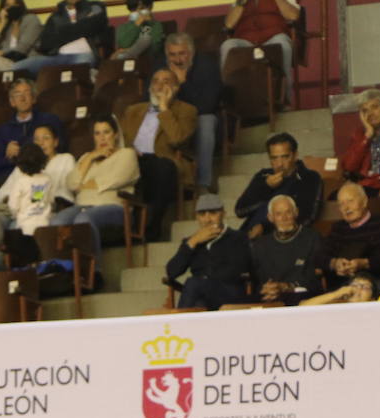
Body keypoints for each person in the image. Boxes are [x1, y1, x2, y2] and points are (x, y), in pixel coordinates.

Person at [120, 68, 197, 239]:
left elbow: (177, 139)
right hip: (133, 160)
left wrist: (164, 108)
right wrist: (129, 152)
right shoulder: (133, 110)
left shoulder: (187, 111)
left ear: (176, 88)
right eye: (156, 81)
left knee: (162, 167)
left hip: (163, 161)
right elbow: (121, 140)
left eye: (166, 81)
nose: (159, 85)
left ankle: (150, 229)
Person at [53, 115, 140, 252]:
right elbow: (71, 184)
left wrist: (85, 185)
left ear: (116, 135)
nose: (102, 138)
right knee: (56, 222)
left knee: (83, 219)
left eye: (106, 132)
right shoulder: (86, 157)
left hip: (114, 207)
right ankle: (61, 268)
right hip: (82, 206)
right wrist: (91, 157)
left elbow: (115, 179)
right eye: (97, 133)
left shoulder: (127, 154)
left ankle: (94, 271)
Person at [159, 32, 223, 195]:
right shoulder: (160, 67)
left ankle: (202, 183)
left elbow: (207, 106)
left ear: (191, 52)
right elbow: (148, 98)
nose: (178, 60)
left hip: (200, 116)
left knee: (206, 122)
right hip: (171, 116)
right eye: (172, 55)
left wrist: (182, 83)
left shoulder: (207, 66)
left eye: (182, 54)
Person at [165, 193, 252, 310]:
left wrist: (203, 281)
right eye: (202, 214)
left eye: (212, 213)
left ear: (223, 214)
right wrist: (193, 242)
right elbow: (171, 272)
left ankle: (178, 325)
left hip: (229, 294)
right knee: (198, 303)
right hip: (201, 295)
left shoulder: (238, 237)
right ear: (197, 217)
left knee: (193, 284)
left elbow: (236, 271)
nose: (207, 219)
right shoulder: (191, 241)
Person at [321, 181, 380, 294]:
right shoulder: (337, 229)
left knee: (360, 292)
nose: (346, 207)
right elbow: (319, 257)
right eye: (341, 204)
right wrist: (335, 263)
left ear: (364, 201)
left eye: (350, 201)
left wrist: (366, 263)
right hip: (345, 284)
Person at [234, 132, 322, 238]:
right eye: (274, 158)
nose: (279, 164)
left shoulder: (309, 177)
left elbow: (307, 217)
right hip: (247, 235)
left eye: (285, 157)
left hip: (282, 238)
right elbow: (240, 210)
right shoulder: (263, 176)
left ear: (295, 155)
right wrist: (266, 187)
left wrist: (265, 227)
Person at [0, 78, 66, 181]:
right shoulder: (2, 131)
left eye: (27, 93)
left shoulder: (49, 121)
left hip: (45, 174)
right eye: (17, 95)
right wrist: (8, 158)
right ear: (12, 102)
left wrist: (23, 153)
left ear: (34, 98)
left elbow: (60, 148)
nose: (22, 98)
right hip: (13, 180)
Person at [221, 0, 299, 106]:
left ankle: (285, 99)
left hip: (273, 37)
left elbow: (293, 16)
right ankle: (230, 103)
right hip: (246, 41)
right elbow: (229, 24)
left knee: (283, 44)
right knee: (227, 46)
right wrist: (241, 3)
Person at [250, 194, 323, 304]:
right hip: (270, 300)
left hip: (303, 298)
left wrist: (287, 287)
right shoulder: (261, 244)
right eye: (278, 214)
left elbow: (315, 275)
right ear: (270, 218)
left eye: (288, 212)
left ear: (296, 213)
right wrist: (267, 289)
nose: (284, 218)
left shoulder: (312, 237)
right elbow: (257, 280)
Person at [16, 0, 108, 76]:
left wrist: (60, 33)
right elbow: (44, 43)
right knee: (17, 68)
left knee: (79, 69)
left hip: (83, 55)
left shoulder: (95, 7)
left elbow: (94, 25)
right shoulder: (55, 16)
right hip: (57, 58)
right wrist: (81, 27)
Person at [0, 142, 54, 235]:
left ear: (20, 162)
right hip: (44, 224)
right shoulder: (47, 179)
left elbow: (13, 206)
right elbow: (50, 200)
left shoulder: (20, 181)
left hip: (24, 226)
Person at [33, 123, 77, 206]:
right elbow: (5, 192)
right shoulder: (26, 164)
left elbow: (67, 191)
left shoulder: (66, 159)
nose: (40, 143)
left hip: (57, 208)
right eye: (36, 139)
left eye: (46, 138)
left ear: (55, 142)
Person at [301, 274, 375, 304]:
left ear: (372, 299)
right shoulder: (338, 304)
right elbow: (303, 307)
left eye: (365, 287)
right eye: (354, 285)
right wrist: (337, 294)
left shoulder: (377, 308)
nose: (358, 289)